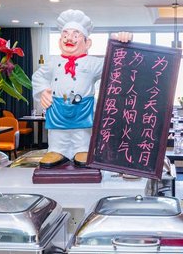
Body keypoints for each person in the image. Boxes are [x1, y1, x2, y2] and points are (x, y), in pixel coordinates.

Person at [32, 9, 131, 168]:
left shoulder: (93, 63)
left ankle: (83, 149)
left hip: (83, 106)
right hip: (57, 106)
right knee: (57, 132)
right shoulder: (52, 62)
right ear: (60, 41)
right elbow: (39, 76)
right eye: (65, 35)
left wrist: (120, 44)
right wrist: (43, 91)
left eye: (76, 35)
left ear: (87, 43)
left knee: (82, 133)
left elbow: (115, 65)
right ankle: (56, 150)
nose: (69, 38)